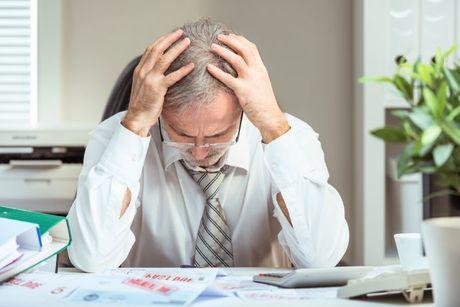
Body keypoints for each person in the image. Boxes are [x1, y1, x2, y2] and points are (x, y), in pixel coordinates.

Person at [67, 19, 349, 272]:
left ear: (242, 108)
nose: (200, 152)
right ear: (160, 110)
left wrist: (274, 127)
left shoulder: (291, 137)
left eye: (217, 135)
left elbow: (320, 259)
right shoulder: (115, 136)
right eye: (181, 133)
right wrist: (136, 123)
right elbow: (91, 256)